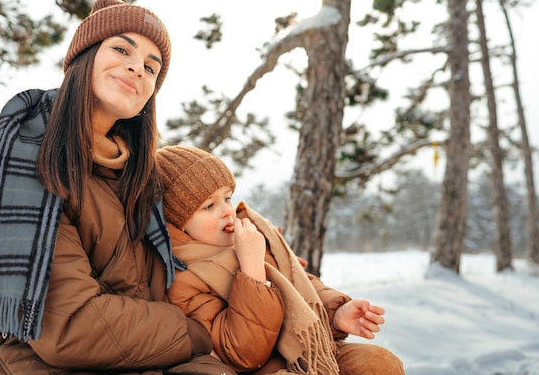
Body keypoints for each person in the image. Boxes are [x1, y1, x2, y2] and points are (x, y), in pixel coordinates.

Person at [0, 0, 237, 375]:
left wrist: (280, 270)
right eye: (122, 48)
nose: (136, 67)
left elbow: (206, 233)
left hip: (142, 355)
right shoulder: (25, 164)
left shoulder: (142, 178)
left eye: (151, 67)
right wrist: (195, 333)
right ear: (84, 57)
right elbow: (70, 326)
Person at [156, 145, 406, 375]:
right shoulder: (183, 275)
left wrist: (335, 312)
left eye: (228, 197)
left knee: (377, 362)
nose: (227, 211)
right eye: (209, 206)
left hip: (307, 351)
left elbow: (297, 280)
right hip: (263, 367)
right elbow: (243, 353)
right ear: (179, 223)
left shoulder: (253, 233)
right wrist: (252, 269)